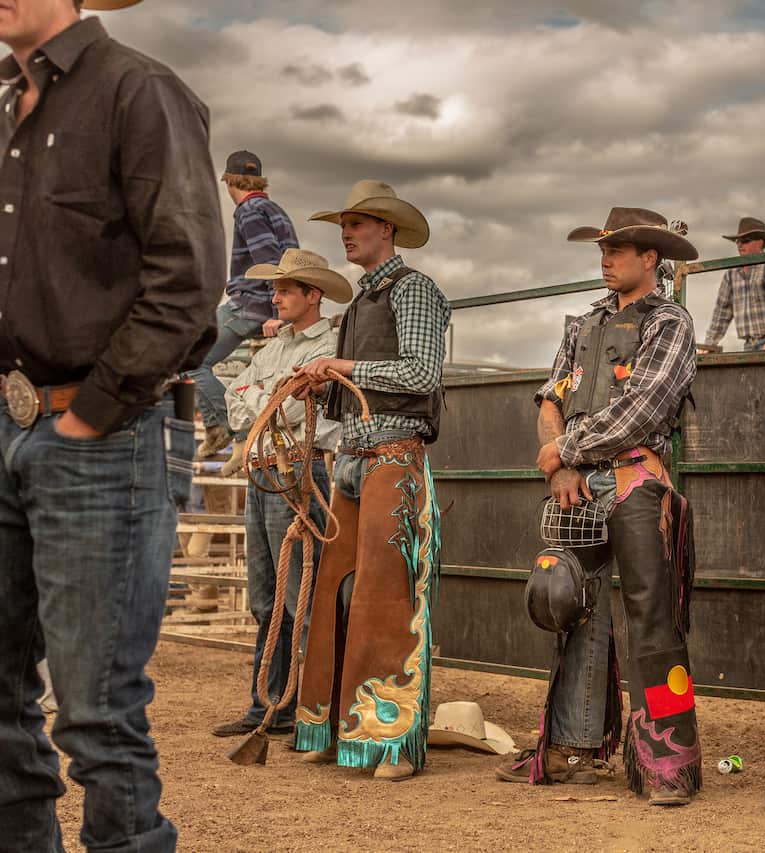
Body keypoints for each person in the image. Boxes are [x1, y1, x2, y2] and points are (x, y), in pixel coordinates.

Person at [0, 0, 224, 848]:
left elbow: (189, 273)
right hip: (15, 422)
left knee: (95, 711)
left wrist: (90, 415)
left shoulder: (139, 89)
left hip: (99, 433)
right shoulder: (7, 112)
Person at [495, 207, 702, 807]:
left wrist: (564, 449)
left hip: (636, 478)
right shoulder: (583, 324)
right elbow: (550, 394)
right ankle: (572, 748)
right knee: (570, 605)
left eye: (619, 250)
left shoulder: (670, 323)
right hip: (580, 481)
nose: (606, 259)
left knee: (652, 616)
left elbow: (645, 406)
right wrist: (559, 461)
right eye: (603, 250)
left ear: (650, 259)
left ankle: (667, 760)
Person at [291, 181, 449, 782]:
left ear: (387, 229)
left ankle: (390, 740)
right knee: (332, 591)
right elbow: (361, 384)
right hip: (354, 458)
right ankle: (330, 725)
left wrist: (343, 365)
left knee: (385, 597)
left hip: (393, 456)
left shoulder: (413, 290)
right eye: (344, 224)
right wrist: (321, 380)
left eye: (358, 223)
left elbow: (422, 372)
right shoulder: (361, 303)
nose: (347, 233)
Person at [211, 249, 350, 740]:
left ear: (313, 295)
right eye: (277, 289)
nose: (276, 298)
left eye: (286, 290)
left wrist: (260, 399)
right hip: (265, 473)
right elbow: (240, 401)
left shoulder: (327, 345)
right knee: (267, 598)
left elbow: (285, 410)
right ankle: (270, 704)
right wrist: (264, 399)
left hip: (295, 474)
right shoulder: (274, 348)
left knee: (300, 598)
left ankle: (306, 708)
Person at [191, 149, 300, 459]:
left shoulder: (248, 211)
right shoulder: (273, 209)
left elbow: (267, 260)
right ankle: (222, 430)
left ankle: (228, 429)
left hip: (250, 304)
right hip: (266, 302)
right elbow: (285, 259)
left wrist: (276, 309)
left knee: (191, 356)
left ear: (228, 181)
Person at [703, 216, 765, 351]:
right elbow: (721, 312)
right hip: (750, 344)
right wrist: (709, 345)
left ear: (760, 243)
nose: (740, 245)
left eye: (745, 240)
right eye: (737, 241)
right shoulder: (731, 274)